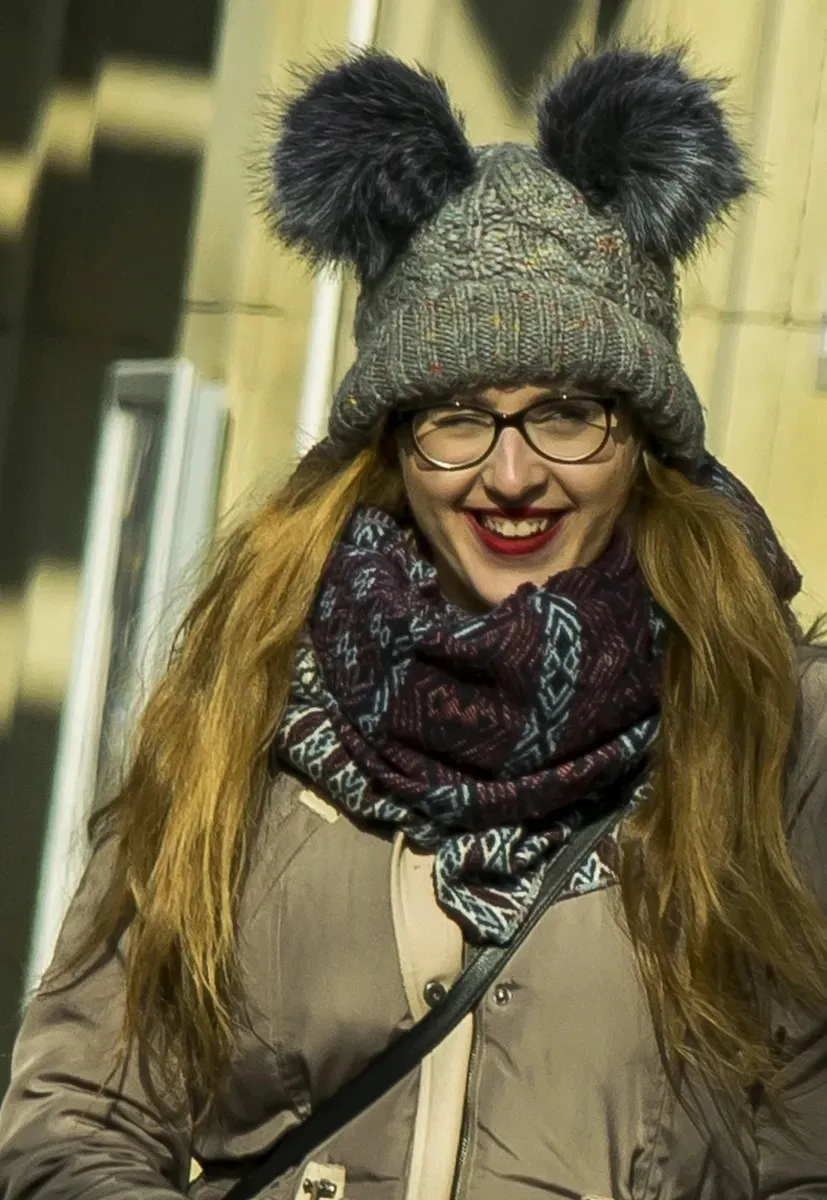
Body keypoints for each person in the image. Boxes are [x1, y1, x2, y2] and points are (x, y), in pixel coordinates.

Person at [1, 45, 826, 1200]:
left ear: (642, 439)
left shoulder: (767, 722)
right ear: (392, 441)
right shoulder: (251, 683)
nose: (509, 474)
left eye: (567, 413)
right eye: (456, 417)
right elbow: (80, 1114)